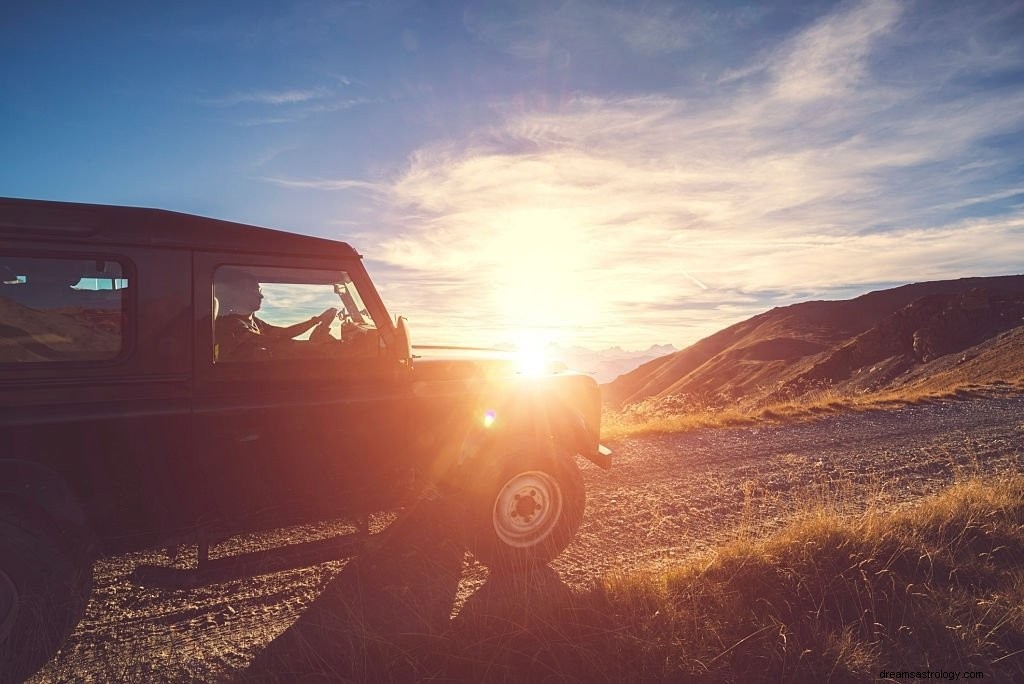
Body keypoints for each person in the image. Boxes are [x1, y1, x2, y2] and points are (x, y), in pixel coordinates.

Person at [214, 269, 336, 361]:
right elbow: (273, 343)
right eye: (253, 290)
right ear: (238, 295)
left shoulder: (255, 322)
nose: (260, 296)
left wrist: (317, 320)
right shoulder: (230, 325)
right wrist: (316, 347)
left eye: (259, 291)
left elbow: (284, 333)